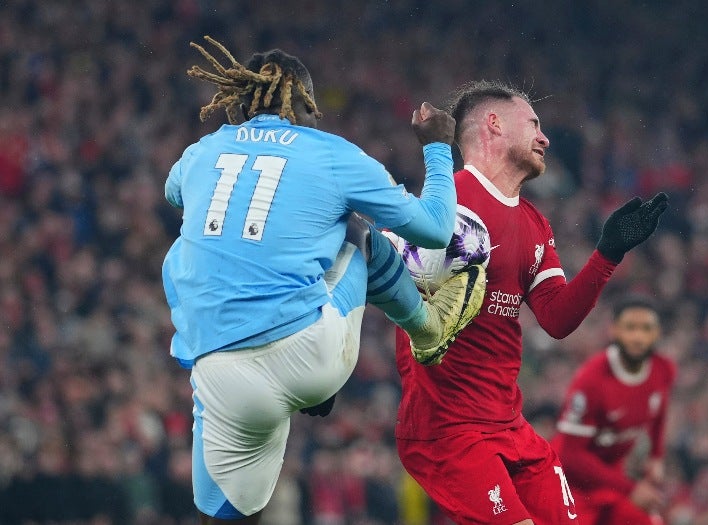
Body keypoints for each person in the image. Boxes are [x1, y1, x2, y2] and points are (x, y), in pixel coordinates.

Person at [161, 37, 486, 525]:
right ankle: (427, 328)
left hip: (219, 371)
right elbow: (437, 230)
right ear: (308, 105)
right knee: (356, 232)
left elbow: (173, 192)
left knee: (223, 514)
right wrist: (438, 148)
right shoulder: (331, 153)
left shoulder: (201, 152)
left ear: (241, 104)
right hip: (308, 354)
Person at [394, 80, 669, 524]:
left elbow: (556, 318)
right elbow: (394, 278)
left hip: (509, 425)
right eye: (534, 124)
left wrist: (608, 253)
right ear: (495, 124)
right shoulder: (449, 200)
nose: (545, 138)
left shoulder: (534, 222)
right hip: (449, 428)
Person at [550, 297, 676, 525]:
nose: (638, 337)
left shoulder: (663, 369)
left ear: (657, 333)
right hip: (570, 483)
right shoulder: (592, 380)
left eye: (646, 329)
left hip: (611, 478)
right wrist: (631, 489)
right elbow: (571, 456)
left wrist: (656, 456)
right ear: (614, 330)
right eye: (630, 328)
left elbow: (659, 411)